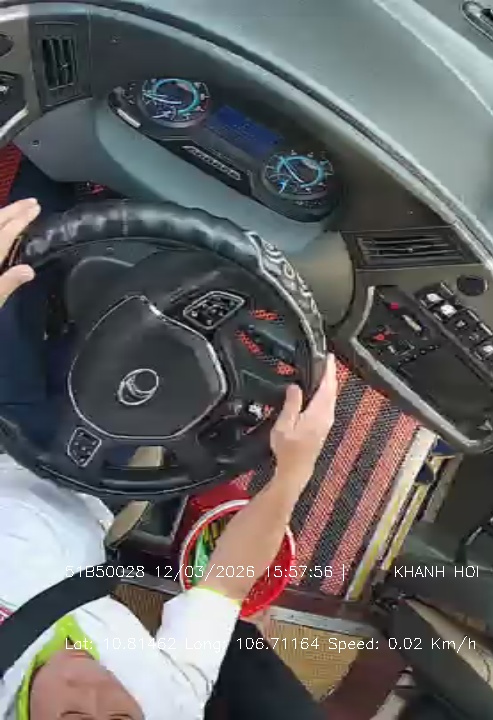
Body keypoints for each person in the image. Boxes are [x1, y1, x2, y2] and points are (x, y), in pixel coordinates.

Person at [0, 197, 340, 719]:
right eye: (123, 718)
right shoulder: (171, 705)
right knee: (142, 327)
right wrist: (294, 469)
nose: (96, 689)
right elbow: (225, 584)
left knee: (27, 247)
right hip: (85, 482)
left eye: (73, 719)